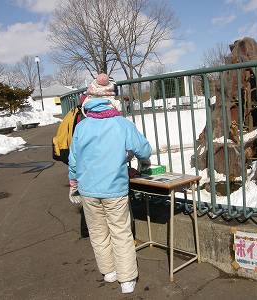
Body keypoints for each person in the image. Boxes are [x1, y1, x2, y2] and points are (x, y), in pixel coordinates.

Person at [68, 73, 151, 294]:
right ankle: (127, 280)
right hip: (114, 189)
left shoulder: (82, 127)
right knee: (121, 233)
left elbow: (73, 159)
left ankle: (109, 272)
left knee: (98, 232)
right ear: (111, 99)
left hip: (87, 190)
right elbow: (145, 149)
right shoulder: (121, 124)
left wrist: (73, 182)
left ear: (89, 100)